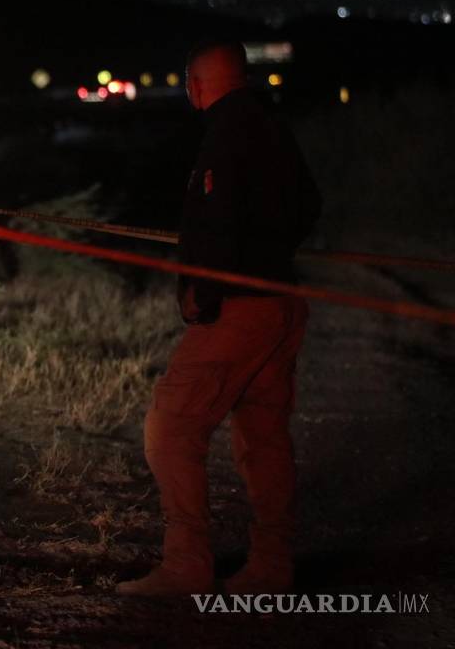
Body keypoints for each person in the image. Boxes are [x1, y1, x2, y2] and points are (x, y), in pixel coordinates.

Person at [117, 40, 322, 597]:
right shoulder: (271, 126)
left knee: (172, 427)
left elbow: (215, 223)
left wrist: (202, 294)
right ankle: (272, 566)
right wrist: (272, 251)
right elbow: (309, 203)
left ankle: (186, 564)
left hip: (239, 310)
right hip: (282, 302)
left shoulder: (224, 134)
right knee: (263, 437)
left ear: (197, 85)